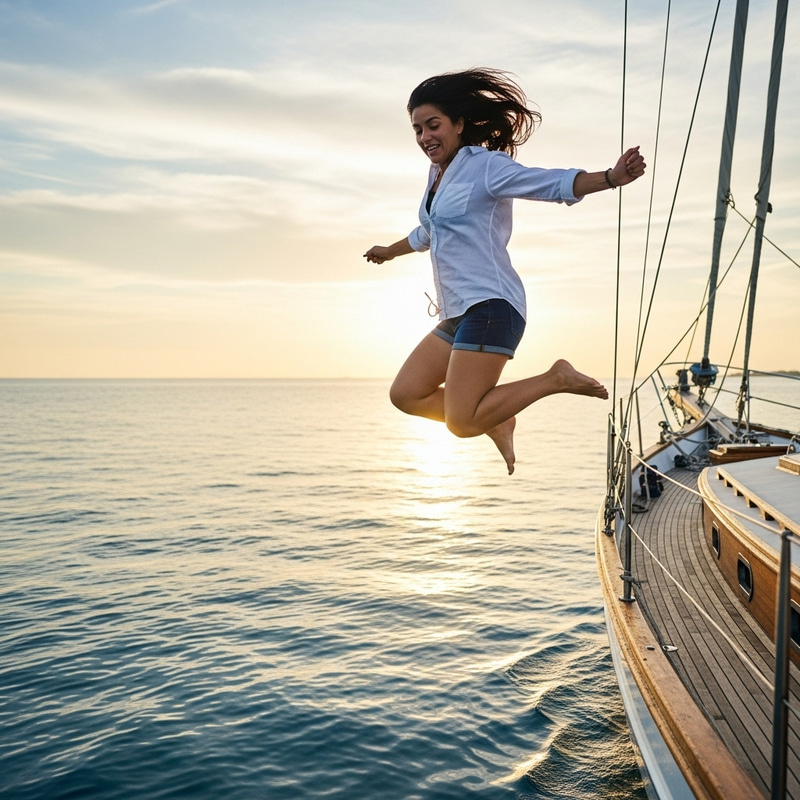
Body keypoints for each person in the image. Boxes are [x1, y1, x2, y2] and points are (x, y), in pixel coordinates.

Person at [364, 69, 646, 474]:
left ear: (459, 124)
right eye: (417, 129)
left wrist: (611, 178)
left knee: (462, 423)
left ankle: (555, 379)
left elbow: (544, 183)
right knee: (406, 394)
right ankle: (495, 417)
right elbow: (431, 230)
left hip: (492, 307)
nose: (425, 137)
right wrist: (390, 252)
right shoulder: (437, 176)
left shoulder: (485, 166)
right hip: (459, 312)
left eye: (433, 125)